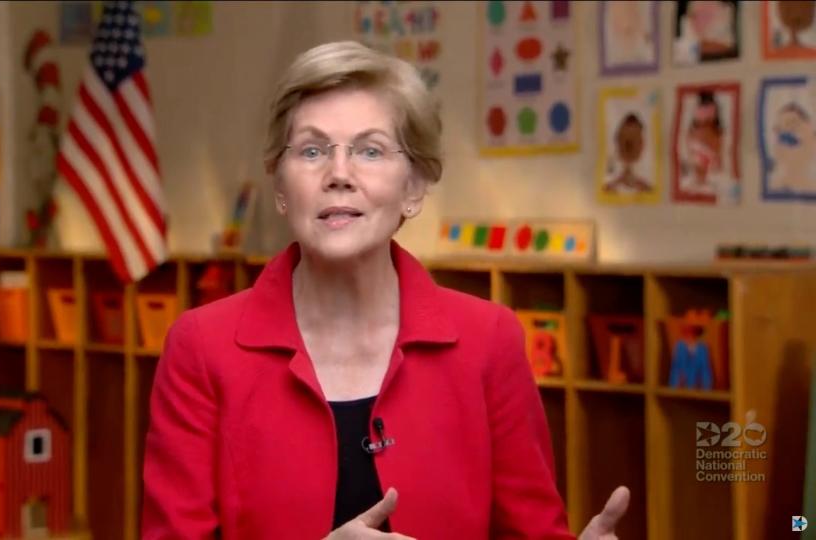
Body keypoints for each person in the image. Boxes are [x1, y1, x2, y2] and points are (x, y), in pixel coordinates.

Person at [142, 41, 630, 539]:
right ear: (281, 188)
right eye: (311, 151)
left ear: (414, 188)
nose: (338, 175)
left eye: (369, 150)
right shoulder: (200, 348)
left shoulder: (490, 340)